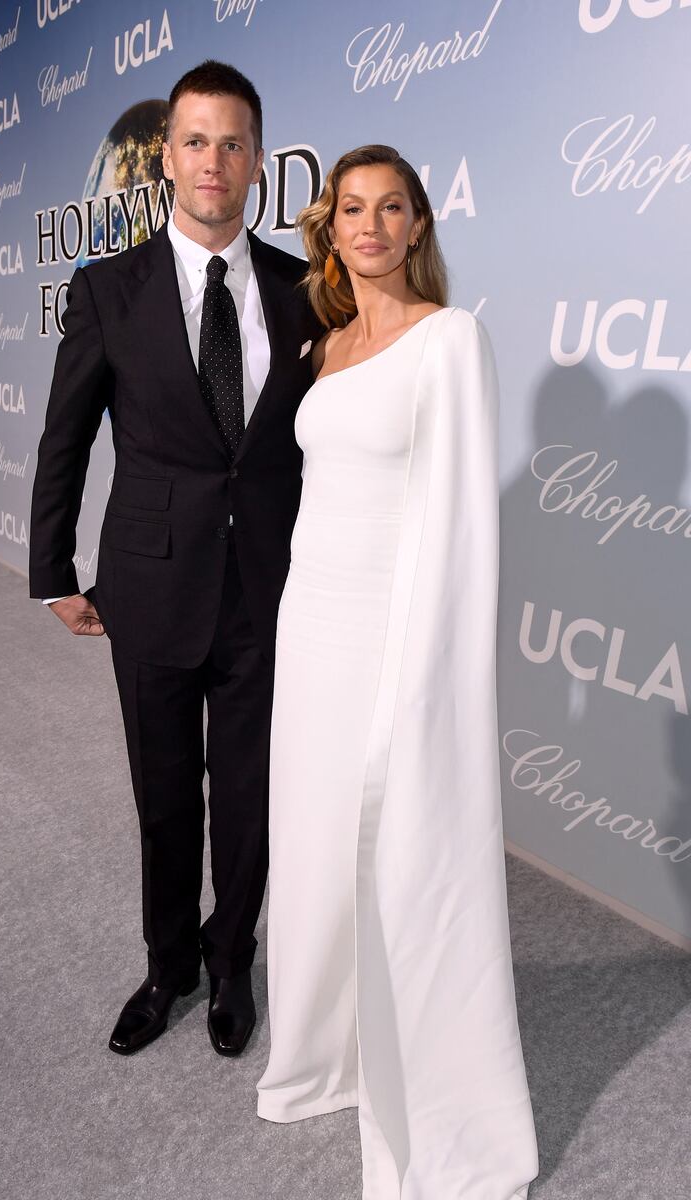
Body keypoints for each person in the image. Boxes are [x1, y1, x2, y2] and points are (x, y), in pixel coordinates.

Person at [255, 145, 539, 1199]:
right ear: (327, 227)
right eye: (349, 209)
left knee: (405, 861)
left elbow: (460, 526)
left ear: (418, 226)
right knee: (320, 852)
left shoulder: (447, 341)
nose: (368, 226)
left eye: (391, 208)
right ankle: (328, 1055)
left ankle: (443, 1113)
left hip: (390, 641)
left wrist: (427, 686)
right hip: (310, 632)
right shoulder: (321, 345)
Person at [28, 61, 320, 1058]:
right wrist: (51, 569)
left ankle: (231, 958)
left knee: (247, 797)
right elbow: (63, 436)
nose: (214, 161)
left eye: (233, 142)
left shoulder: (301, 291)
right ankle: (167, 965)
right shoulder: (109, 288)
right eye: (195, 140)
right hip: (148, 585)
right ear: (167, 155)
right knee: (163, 795)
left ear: (255, 161)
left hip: (265, 594)